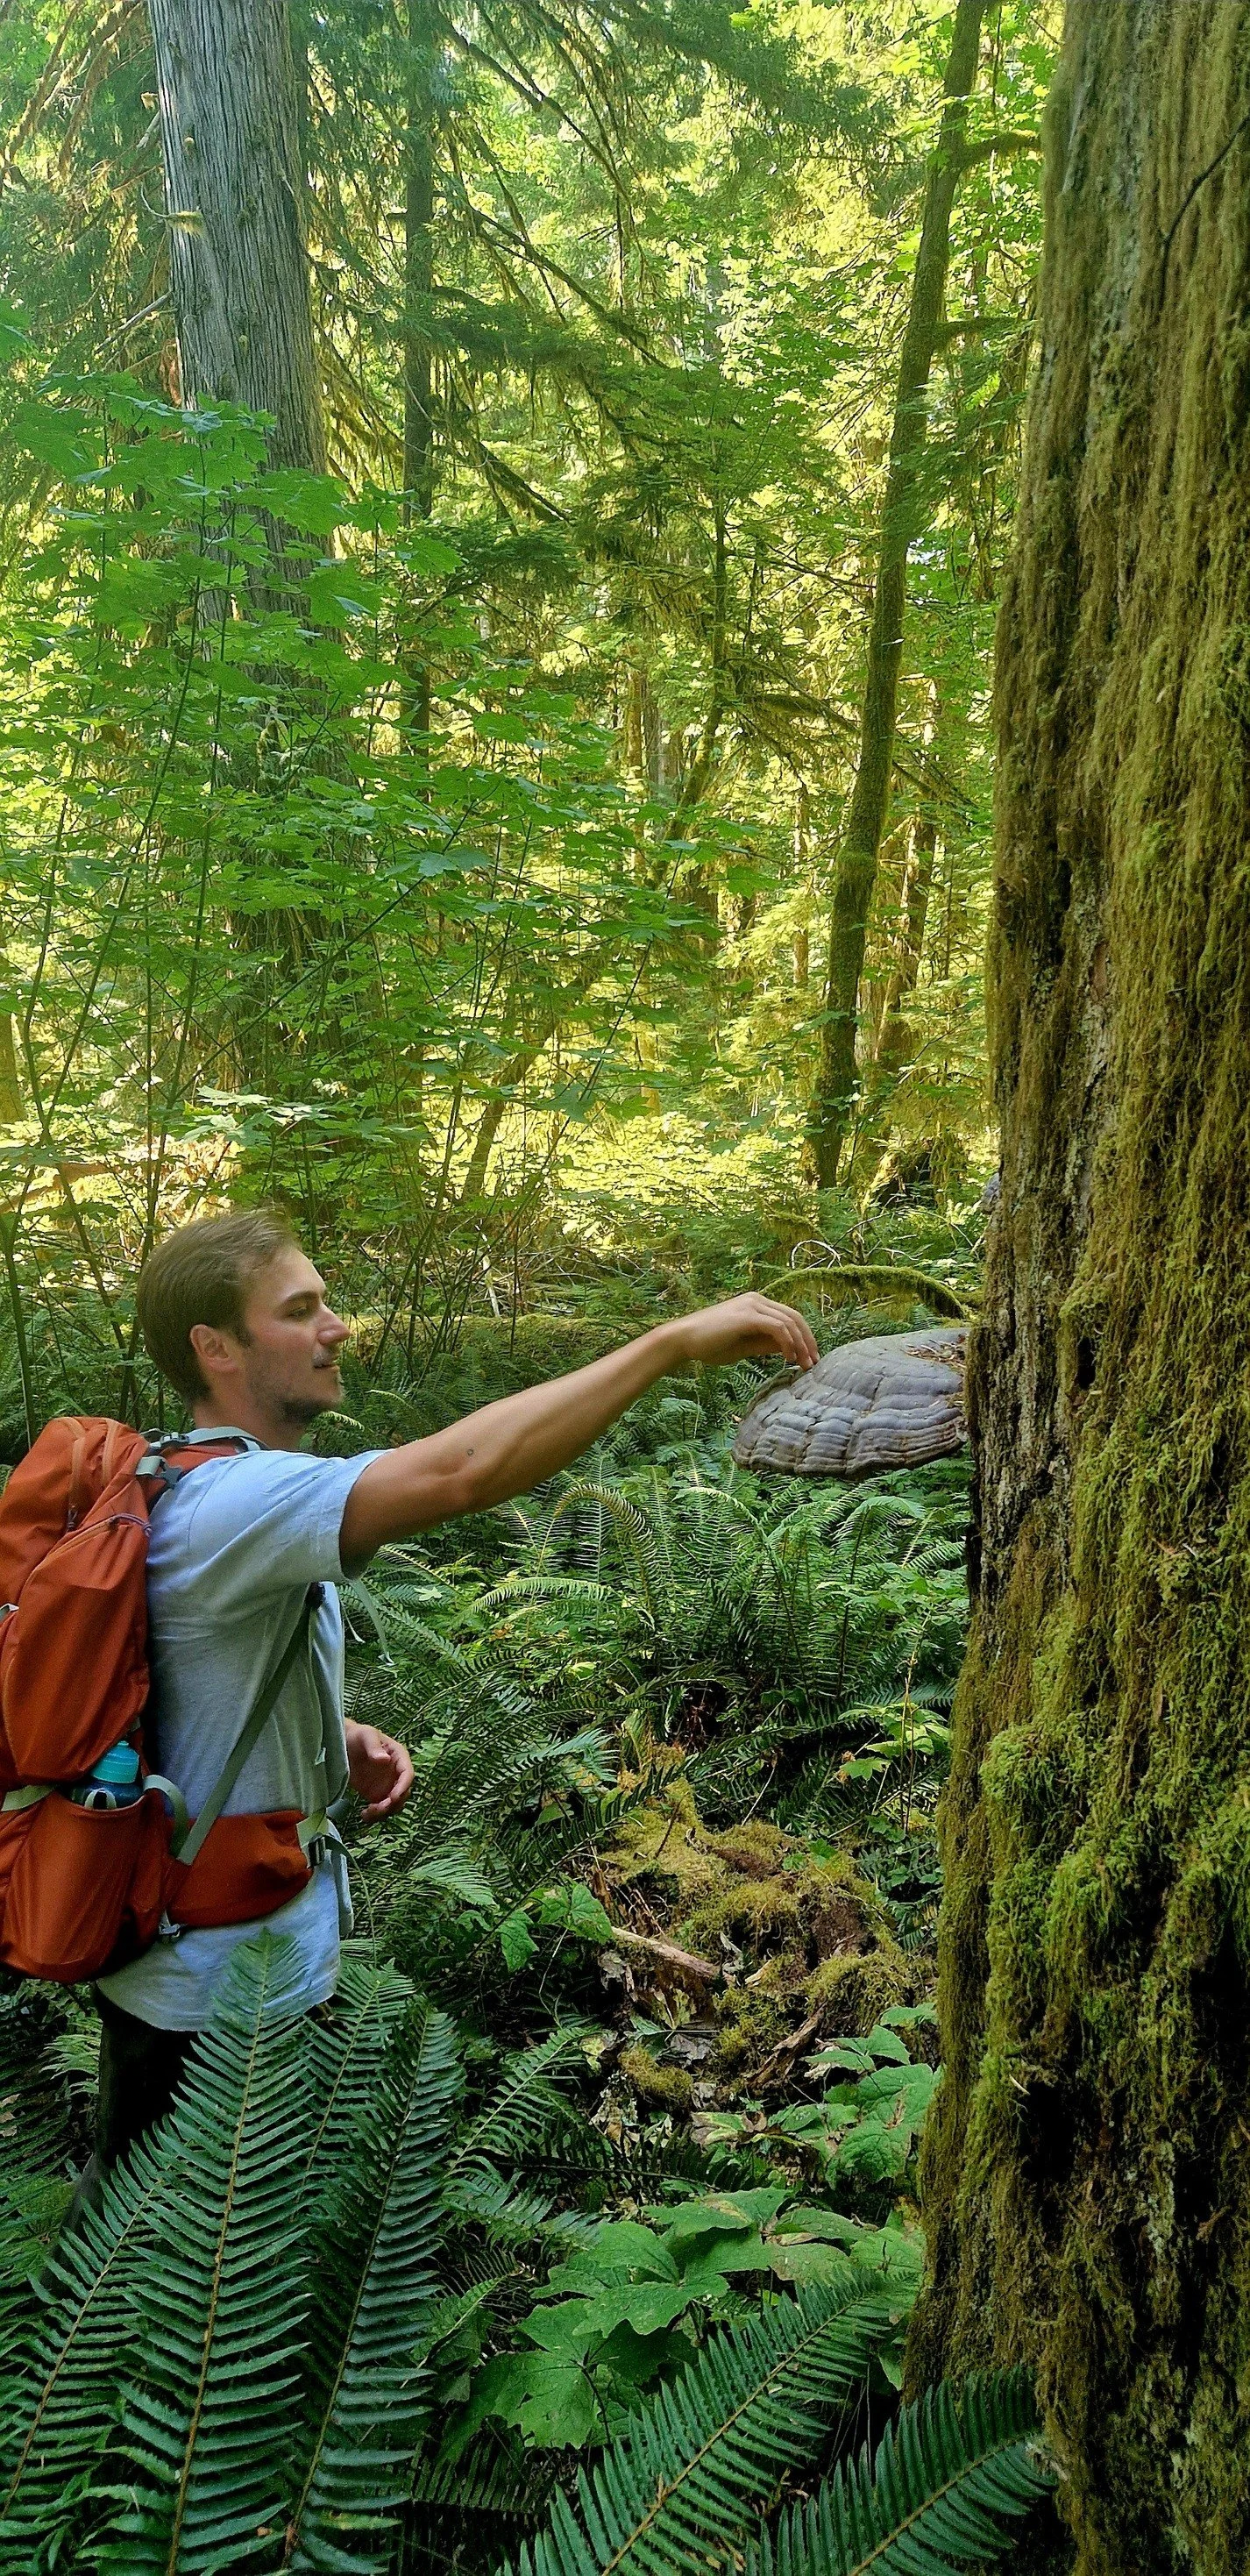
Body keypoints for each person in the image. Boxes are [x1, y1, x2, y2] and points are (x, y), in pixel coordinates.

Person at [91, 1208, 817, 2174]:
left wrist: (325, 1735)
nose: (336, 1326)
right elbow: (463, 1469)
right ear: (214, 1346)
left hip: (232, 1969)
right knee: (184, 2291)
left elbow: (177, 1675)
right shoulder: (239, 1499)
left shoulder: (198, 1482)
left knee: (217, 2274)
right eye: (301, 1310)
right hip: (213, 2001)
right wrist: (668, 1345)